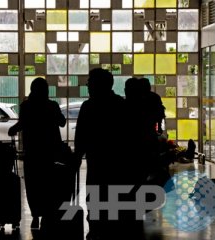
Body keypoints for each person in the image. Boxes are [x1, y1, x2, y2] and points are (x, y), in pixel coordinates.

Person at [75, 68, 145, 239]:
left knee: (97, 207)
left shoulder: (89, 107)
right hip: (119, 169)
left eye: (90, 82)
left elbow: (81, 139)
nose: (88, 85)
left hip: (97, 167)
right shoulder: (122, 106)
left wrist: (76, 159)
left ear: (98, 85)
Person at [8, 77, 66, 229]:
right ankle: (48, 214)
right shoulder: (52, 105)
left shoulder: (26, 106)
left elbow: (21, 124)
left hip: (32, 152)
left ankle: (35, 215)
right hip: (50, 153)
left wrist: (12, 130)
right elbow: (62, 122)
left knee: (33, 185)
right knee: (49, 185)